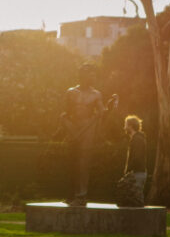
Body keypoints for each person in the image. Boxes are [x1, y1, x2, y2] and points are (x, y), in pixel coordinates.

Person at [59, 63, 118, 207]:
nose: (94, 77)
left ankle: (81, 196)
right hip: (73, 130)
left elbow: (102, 113)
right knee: (72, 163)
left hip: (88, 130)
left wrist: (110, 106)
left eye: (94, 74)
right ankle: (71, 195)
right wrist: (68, 127)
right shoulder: (70, 92)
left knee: (83, 163)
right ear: (83, 75)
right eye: (91, 74)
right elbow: (64, 113)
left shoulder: (96, 94)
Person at [117, 115, 147, 207]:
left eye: (126, 124)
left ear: (131, 126)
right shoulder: (137, 138)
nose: (124, 127)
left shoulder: (137, 139)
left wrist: (129, 171)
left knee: (137, 200)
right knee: (135, 199)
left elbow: (136, 157)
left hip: (137, 173)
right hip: (138, 172)